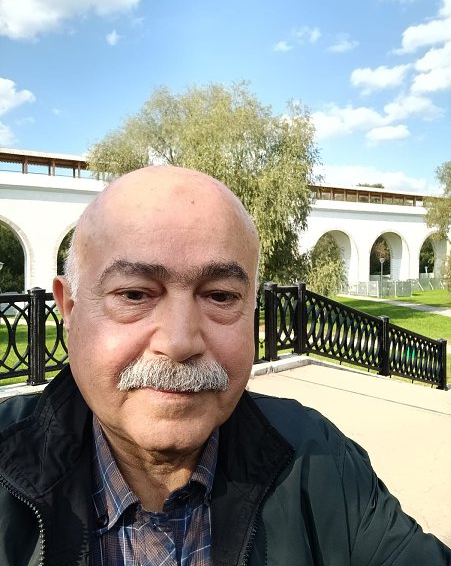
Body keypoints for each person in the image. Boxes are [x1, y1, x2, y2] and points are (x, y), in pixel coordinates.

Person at [0, 166, 449, 566]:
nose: (180, 342)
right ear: (70, 307)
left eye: (220, 296)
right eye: (135, 294)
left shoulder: (319, 462)